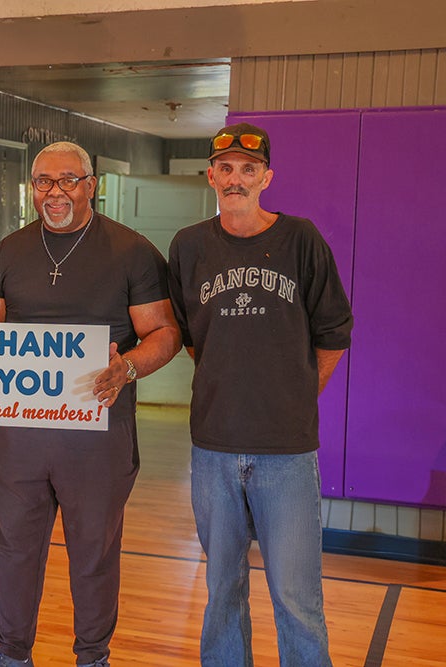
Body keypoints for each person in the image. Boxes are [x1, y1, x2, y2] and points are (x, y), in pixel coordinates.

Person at [0, 141, 182, 667]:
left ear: (91, 186)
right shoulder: (7, 253)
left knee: (94, 555)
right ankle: (11, 653)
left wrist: (126, 367)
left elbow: (166, 332)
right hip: (18, 436)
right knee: (15, 552)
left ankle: (92, 656)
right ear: (32, 187)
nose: (54, 192)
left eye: (67, 181)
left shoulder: (131, 251)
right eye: (43, 182)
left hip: (98, 434)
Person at [167, 122, 354, 666]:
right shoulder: (189, 246)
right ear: (210, 176)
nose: (236, 179)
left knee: (296, 599)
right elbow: (189, 337)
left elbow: (334, 336)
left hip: (286, 454)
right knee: (222, 591)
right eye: (225, 169)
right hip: (214, 448)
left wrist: (294, 396)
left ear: (266, 177)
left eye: (248, 170)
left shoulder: (301, 240)